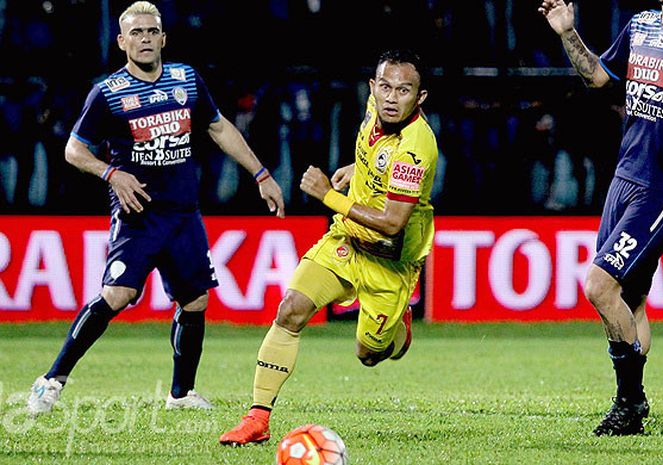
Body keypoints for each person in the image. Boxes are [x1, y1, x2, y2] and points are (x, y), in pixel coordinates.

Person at [26, 1, 285, 415]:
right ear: (122, 41)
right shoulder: (108, 93)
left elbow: (219, 127)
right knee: (117, 294)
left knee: (195, 300)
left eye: (151, 32)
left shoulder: (187, 79)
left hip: (184, 214)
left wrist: (261, 174)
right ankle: (50, 381)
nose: (145, 39)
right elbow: (74, 150)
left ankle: (181, 394)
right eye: (136, 33)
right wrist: (112, 174)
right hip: (139, 216)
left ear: (163, 38)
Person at [218, 49, 438, 446]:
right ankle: (257, 418)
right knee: (290, 311)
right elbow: (377, 153)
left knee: (369, 355)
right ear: (373, 87)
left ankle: (398, 331)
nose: (391, 97)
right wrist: (359, 168)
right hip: (346, 241)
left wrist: (327, 196)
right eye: (385, 86)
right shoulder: (376, 108)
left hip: (389, 263)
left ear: (420, 98)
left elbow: (392, 222)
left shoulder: (417, 146)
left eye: (404, 90)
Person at [540, 0, 663, 436]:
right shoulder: (641, 24)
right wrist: (567, 32)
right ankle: (632, 399)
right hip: (626, 173)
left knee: (599, 284)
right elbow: (596, 76)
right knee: (629, 300)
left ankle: (630, 404)